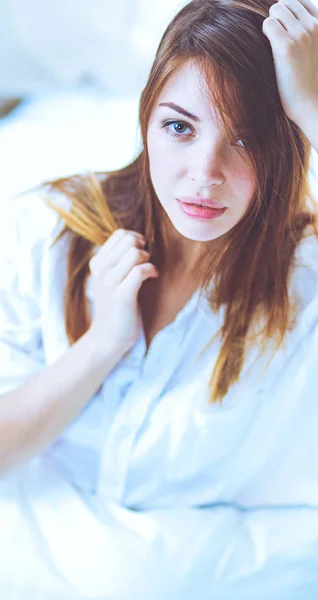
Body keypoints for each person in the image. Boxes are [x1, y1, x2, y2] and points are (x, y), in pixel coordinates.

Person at [0, 0, 318, 598]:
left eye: (246, 139)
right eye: (180, 127)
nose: (205, 173)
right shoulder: (43, 233)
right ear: (146, 118)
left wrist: (316, 110)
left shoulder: (303, 282)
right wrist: (99, 348)